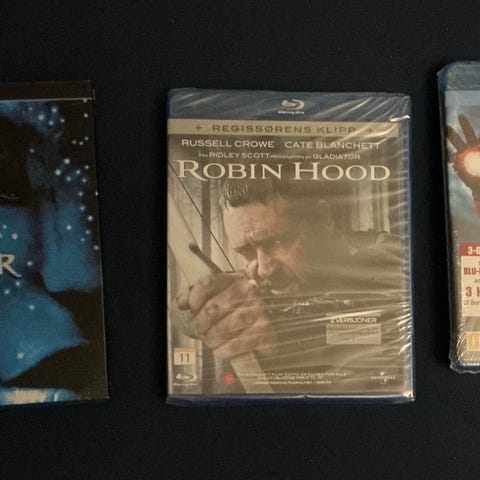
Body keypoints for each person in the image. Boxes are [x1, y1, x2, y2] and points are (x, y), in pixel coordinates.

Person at [175, 170, 404, 384]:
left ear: (321, 217)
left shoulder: (390, 254)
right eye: (246, 251)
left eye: (277, 242)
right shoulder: (261, 273)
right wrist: (199, 307)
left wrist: (278, 330)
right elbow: (188, 306)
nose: (265, 270)